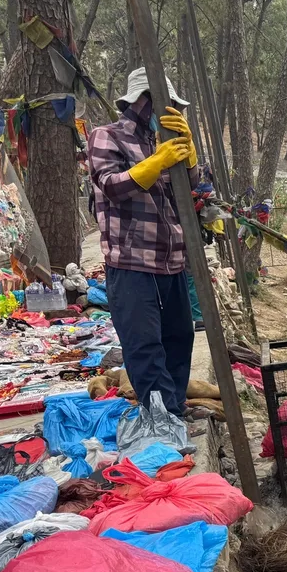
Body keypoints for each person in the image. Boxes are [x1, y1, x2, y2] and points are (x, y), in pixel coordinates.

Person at [88, 68, 200, 417]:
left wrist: (191, 159)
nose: (171, 114)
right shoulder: (106, 137)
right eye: (164, 106)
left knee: (180, 338)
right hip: (133, 264)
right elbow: (112, 186)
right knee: (144, 346)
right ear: (143, 103)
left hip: (172, 261)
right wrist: (156, 162)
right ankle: (161, 417)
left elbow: (194, 190)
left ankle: (174, 408)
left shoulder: (165, 140)